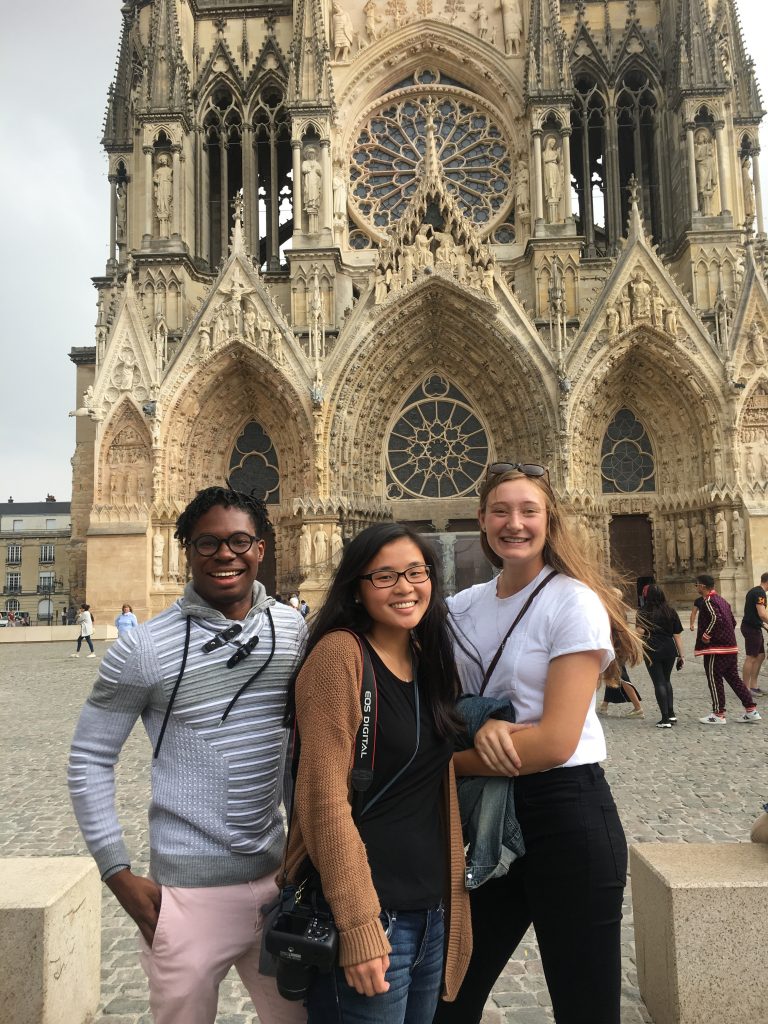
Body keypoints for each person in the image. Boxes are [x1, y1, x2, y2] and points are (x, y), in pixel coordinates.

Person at [68, 486, 308, 1024]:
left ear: (263, 549)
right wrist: (117, 874)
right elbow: (89, 757)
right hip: (186, 898)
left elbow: (304, 745)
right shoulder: (143, 647)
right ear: (185, 551)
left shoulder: (293, 630)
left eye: (240, 540)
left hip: (280, 889)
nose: (225, 554)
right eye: (208, 543)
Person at [434, 461, 642, 1024]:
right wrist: (476, 725)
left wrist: (441, 765)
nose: (515, 523)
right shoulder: (462, 607)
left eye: (529, 511)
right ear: (481, 519)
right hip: (487, 816)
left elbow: (553, 742)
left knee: (585, 1005)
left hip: (566, 813)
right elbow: (438, 698)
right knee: (447, 999)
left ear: (550, 520)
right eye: (501, 511)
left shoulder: (572, 602)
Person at [282, 522, 471, 1023]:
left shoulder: (425, 657)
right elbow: (322, 803)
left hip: (428, 914)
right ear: (357, 589)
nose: (406, 586)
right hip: (371, 920)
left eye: (416, 571)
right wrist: (360, 925)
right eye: (385, 576)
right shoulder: (339, 656)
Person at [692, 574, 761, 725]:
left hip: (716, 649)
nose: (696, 587)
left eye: (696, 585)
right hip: (730, 646)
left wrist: (706, 634)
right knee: (734, 678)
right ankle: (751, 710)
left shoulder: (708, 601)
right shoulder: (723, 601)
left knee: (714, 678)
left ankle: (718, 713)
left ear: (702, 586)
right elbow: (732, 620)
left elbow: (716, 618)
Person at [637, 585, 685, 728]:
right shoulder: (670, 611)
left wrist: (636, 647)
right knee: (667, 680)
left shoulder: (644, 612)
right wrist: (681, 655)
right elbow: (677, 635)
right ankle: (671, 714)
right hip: (669, 649)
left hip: (652, 648)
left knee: (659, 682)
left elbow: (639, 632)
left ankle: (664, 719)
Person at [740, 572, 768, 698]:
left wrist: (763, 625)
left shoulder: (755, 591)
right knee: (751, 657)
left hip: (754, 627)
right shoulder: (759, 593)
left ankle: (754, 686)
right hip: (751, 628)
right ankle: (745, 688)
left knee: (760, 655)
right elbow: (762, 614)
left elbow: (754, 614)